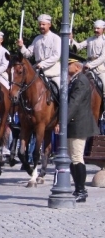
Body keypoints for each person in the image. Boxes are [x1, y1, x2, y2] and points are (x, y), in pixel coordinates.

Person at [65, 58, 100, 203]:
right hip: (74, 124)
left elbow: (74, 103)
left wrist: (62, 121)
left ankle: (81, 190)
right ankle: (78, 188)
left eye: (69, 64)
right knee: (73, 157)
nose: (67, 67)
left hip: (78, 124)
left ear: (77, 67)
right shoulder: (74, 79)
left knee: (77, 157)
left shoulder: (80, 81)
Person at [18, 14, 61, 89]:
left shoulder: (56, 38)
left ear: (49, 25)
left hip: (52, 72)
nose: (41, 26)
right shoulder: (36, 39)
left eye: (43, 24)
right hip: (37, 72)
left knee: (61, 89)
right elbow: (28, 54)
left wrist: (43, 64)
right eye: (40, 24)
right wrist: (22, 46)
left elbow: (56, 56)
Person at [71, 20, 105, 91]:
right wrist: (71, 39)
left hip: (99, 68)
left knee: (104, 83)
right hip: (87, 64)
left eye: (98, 28)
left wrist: (91, 65)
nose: (96, 30)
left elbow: (102, 58)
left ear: (103, 29)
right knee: (73, 78)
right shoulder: (90, 39)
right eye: (95, 28)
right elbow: (79, 46)